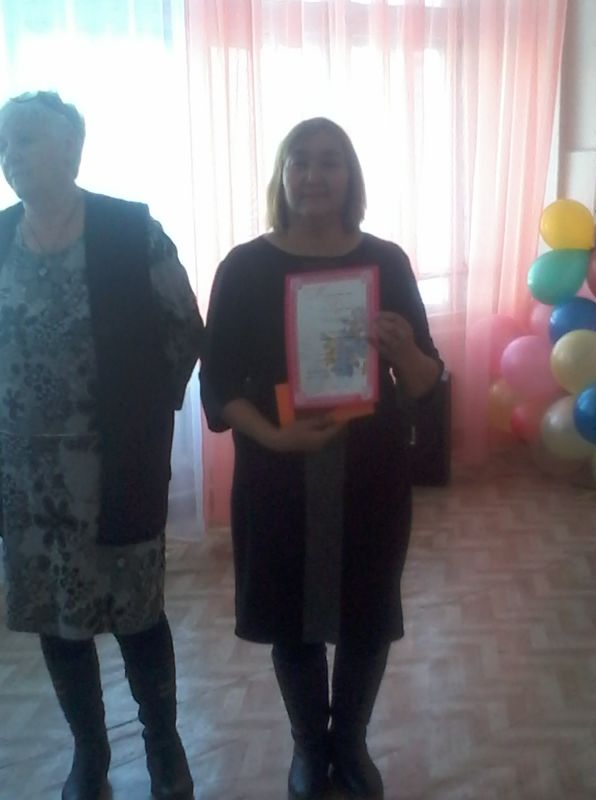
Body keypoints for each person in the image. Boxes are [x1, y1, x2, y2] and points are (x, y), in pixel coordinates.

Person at [200, 116, 443, 800]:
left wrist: (404, 350)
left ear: (350, 177)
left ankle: (351, 744)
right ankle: (309, 748)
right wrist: (274, 437)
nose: (313, 175)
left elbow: (425, 381)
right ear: (282, 175)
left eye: (330, 161)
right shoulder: (243, 267)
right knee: (290, 615)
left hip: (370, 471)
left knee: (368, 612)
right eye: (300, 161)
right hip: (275, 470)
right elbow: (218, 382)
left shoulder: (386, 262)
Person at [0, 91, 203, 800]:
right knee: (58, 623)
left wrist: (143, 418)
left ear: (72, 148)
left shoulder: (129, 230)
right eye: (4, 142)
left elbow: (185, 328)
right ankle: (89, 753)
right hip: (26, 481)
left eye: (26, 138)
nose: (10, 154)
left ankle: (162, 745)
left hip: (115, 469)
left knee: (137, 616)